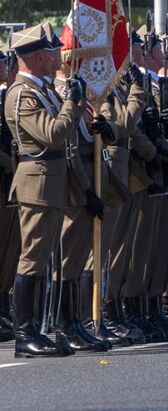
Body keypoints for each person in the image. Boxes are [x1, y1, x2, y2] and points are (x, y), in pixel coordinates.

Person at [5, 24, 85, 357]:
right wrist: (72, 103)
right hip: (37, 184)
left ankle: (37, 327)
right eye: (53, 51)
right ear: (38, 57)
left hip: (52, 182)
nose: (59, 56)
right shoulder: (23, 94)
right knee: (33, 258)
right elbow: (52, 134)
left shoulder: (43, 90)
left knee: (43, 259)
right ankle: (24, 334)